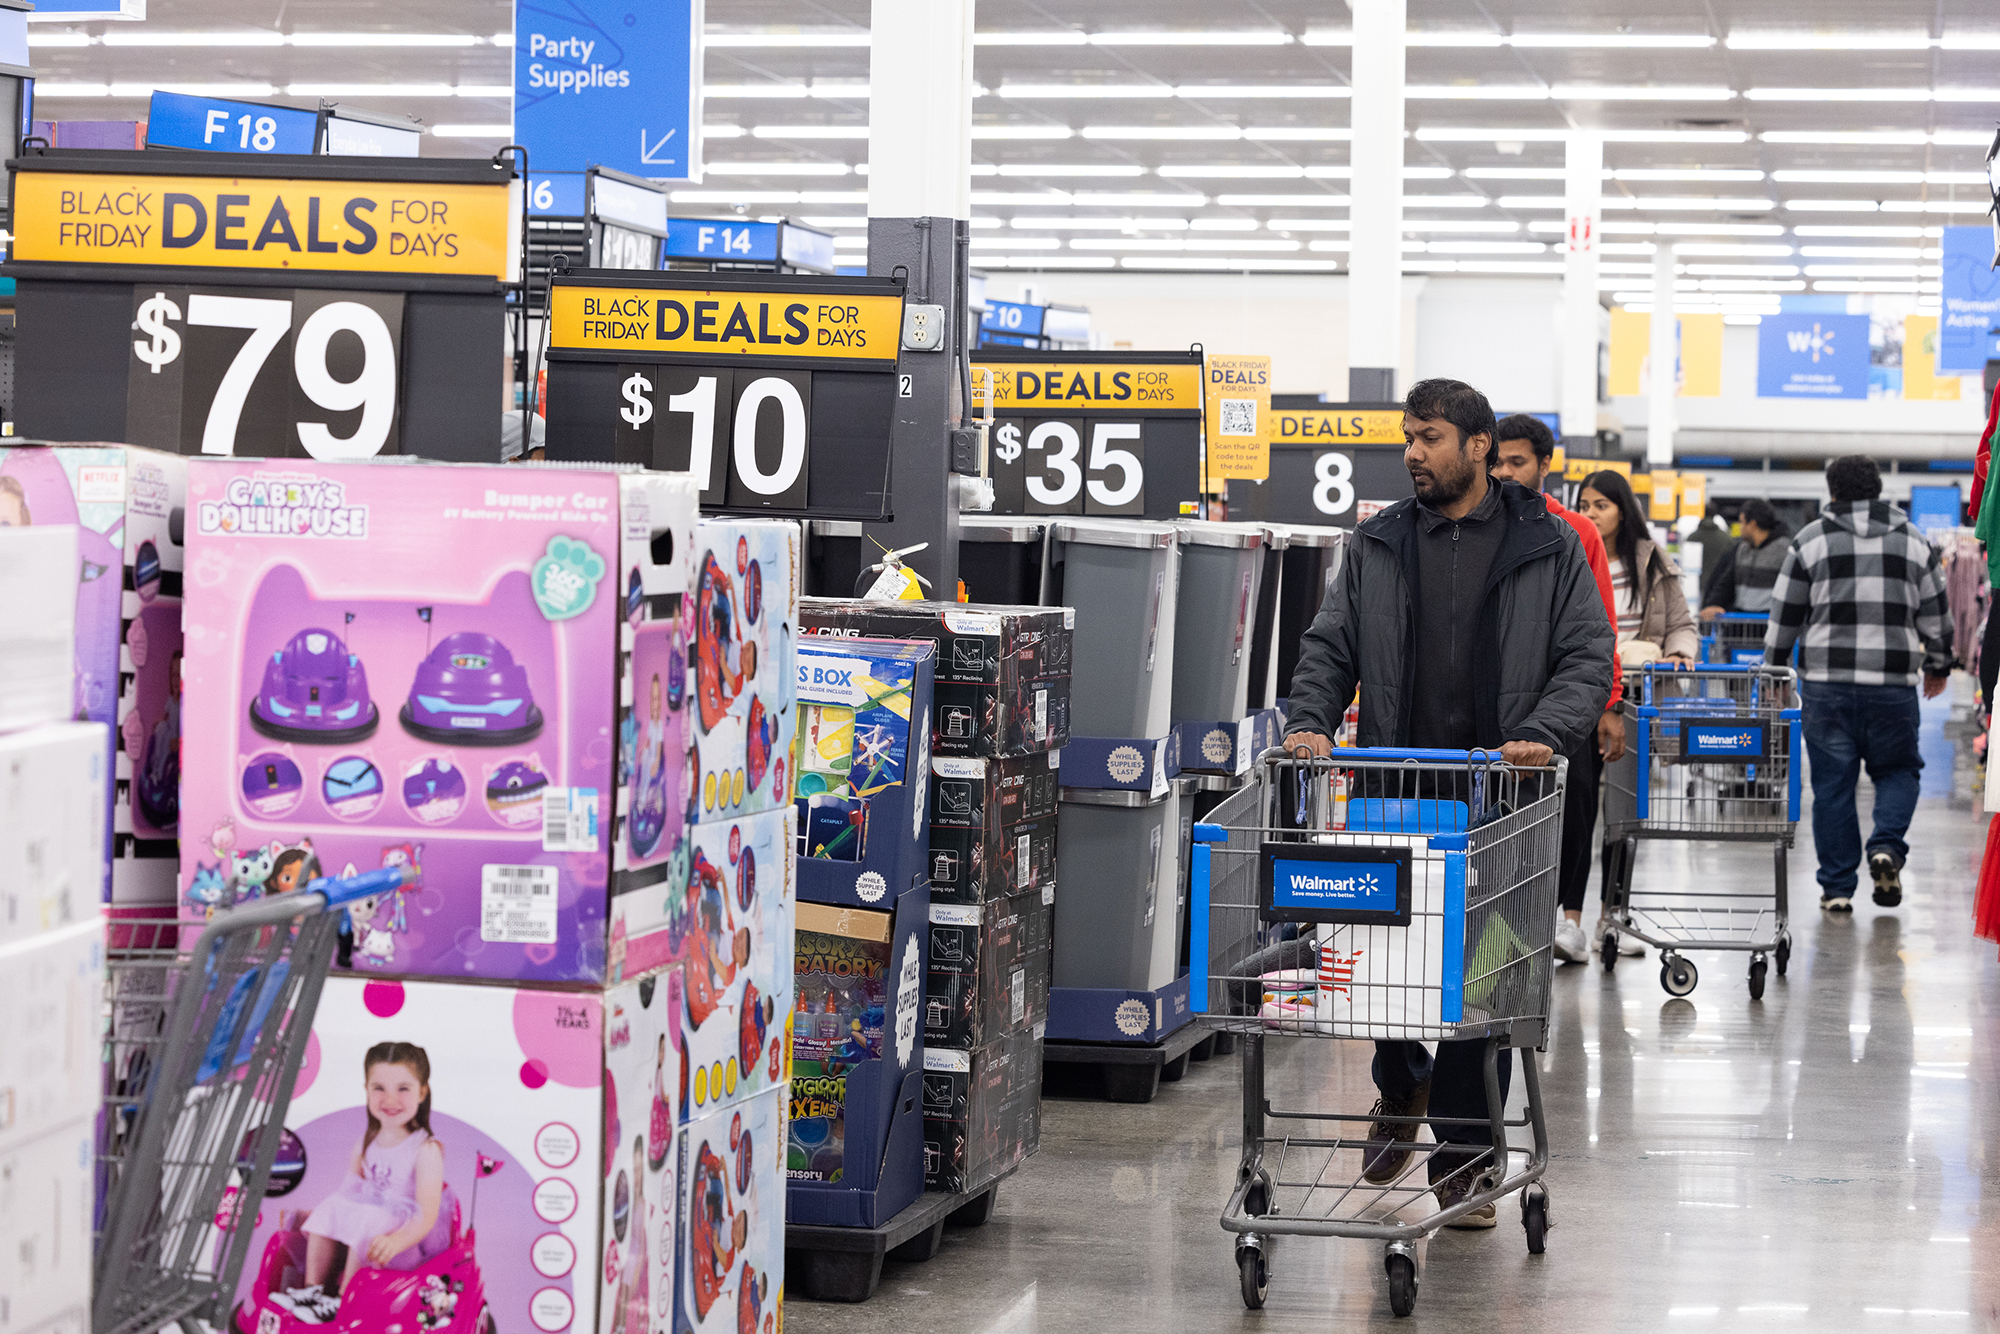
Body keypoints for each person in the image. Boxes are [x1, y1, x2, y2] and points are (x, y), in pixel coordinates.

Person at [1283, 379, 1613, 1227]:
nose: (1412, 454)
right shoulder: (1381, 541)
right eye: (1408, 438)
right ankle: (1401, 1085)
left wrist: (1547, 731)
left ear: (1476, 445)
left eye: (1428, 438)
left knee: (1481, 977)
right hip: (1399, 787)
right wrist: (1312, 723)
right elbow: (1330, 646)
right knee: (1383, 963)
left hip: (1503, 793)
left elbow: (1586, 656)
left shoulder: (1550, 543)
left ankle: (1465, 1158)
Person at [1767, 455, 1951, 912]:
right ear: (1878, 490)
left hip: (1826, 687)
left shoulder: (1809, 541)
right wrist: (1939, 665)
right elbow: (1936, 613)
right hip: (1892, 686)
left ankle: (1837, 889)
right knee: (1898, 771)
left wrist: (1774, 671)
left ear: (1832, 492)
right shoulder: (1913, 541)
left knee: (1832, 785)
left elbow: (1785, 614)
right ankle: (1885, 845)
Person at [1489, 416, 1627, 965]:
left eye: (1516, 461)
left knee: (1575, 809)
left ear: (1546, 465)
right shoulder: (1472, 529)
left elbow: (1600, 628)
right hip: (1502, 709)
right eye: (1496, 460)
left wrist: (1608, 704)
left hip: (1566, 707)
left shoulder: (1574, 532)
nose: (1504, 472)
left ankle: (1569, 920)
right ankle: (1510, 929)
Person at [279, 1042, 447, 1324]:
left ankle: (342, 1300)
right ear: (366, 1090)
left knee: (368, 1217)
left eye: (402, 1089)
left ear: (422, 1092)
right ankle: (313, 1291)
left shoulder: (426, 1149)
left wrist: (396, 1241)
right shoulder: (366, 1142)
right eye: (379, 1088)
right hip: (370, 1221)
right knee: (331, 1206)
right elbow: (348, 1193)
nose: (390, 1099)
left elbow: (425, 1216)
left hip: (402, 1239)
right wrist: (317, 1216)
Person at [1577, 470, 1701, 664]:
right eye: (1583, 507)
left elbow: (1680, 623)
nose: (1589, 514)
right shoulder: (1571, 562)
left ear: (1622, 513)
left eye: (1601, 506)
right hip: (1589, 681)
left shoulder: (1651, 560)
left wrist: (1677, 653)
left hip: (1641, 683)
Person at [1700, 497, 1791, 617]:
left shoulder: (1784, 550)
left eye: (1742, 522)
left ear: (1752, 524)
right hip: (1741, 626)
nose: (1740, 527)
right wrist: (1712, 604)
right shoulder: (1741, 549)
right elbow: (1726, 583)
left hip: (1769, 623)